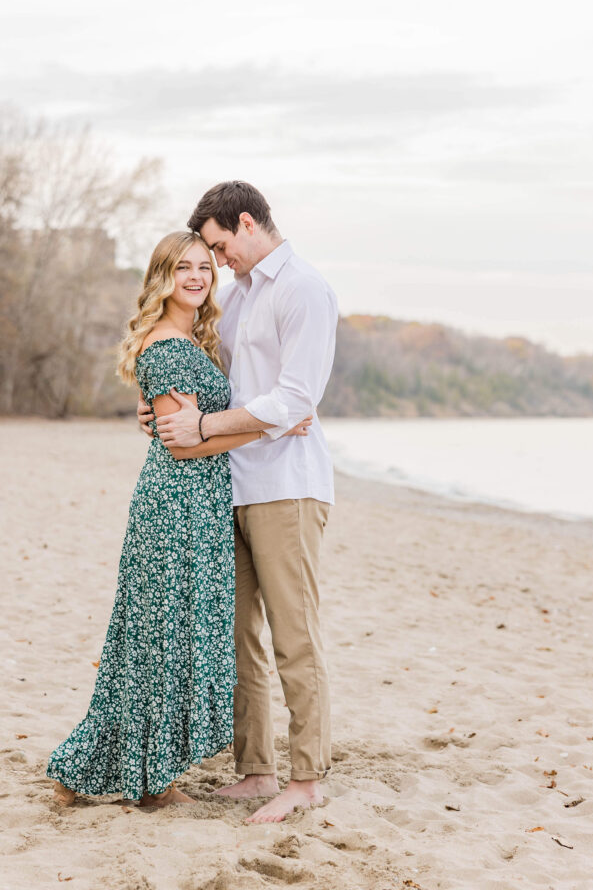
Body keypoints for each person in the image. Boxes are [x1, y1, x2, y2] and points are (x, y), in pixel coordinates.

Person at [47, 230, 308, 808]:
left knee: (156, 638)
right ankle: (152, 786)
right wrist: (273, 424)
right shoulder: (166, 347)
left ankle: (90, 774)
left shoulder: (193, 340)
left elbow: (190, 425)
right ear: (162, 277)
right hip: (176, 507)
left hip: (199, 504)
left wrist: (244, 423)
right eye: (183, 268)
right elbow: (185, 446)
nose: (197, 276)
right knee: (159, 638)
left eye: (204, 267)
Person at [138, 181, 338, 823]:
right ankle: (256, 770)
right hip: (232, 484)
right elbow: (226, 393)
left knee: (293, 635)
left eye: (220, 247)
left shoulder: (303, 288)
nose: (218, 262)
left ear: (246, 223)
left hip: (287, 486)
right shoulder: (241, 294)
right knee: (239, 637)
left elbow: (296, 401)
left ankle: (305, 779)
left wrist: (206, 429)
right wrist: (161, 414)